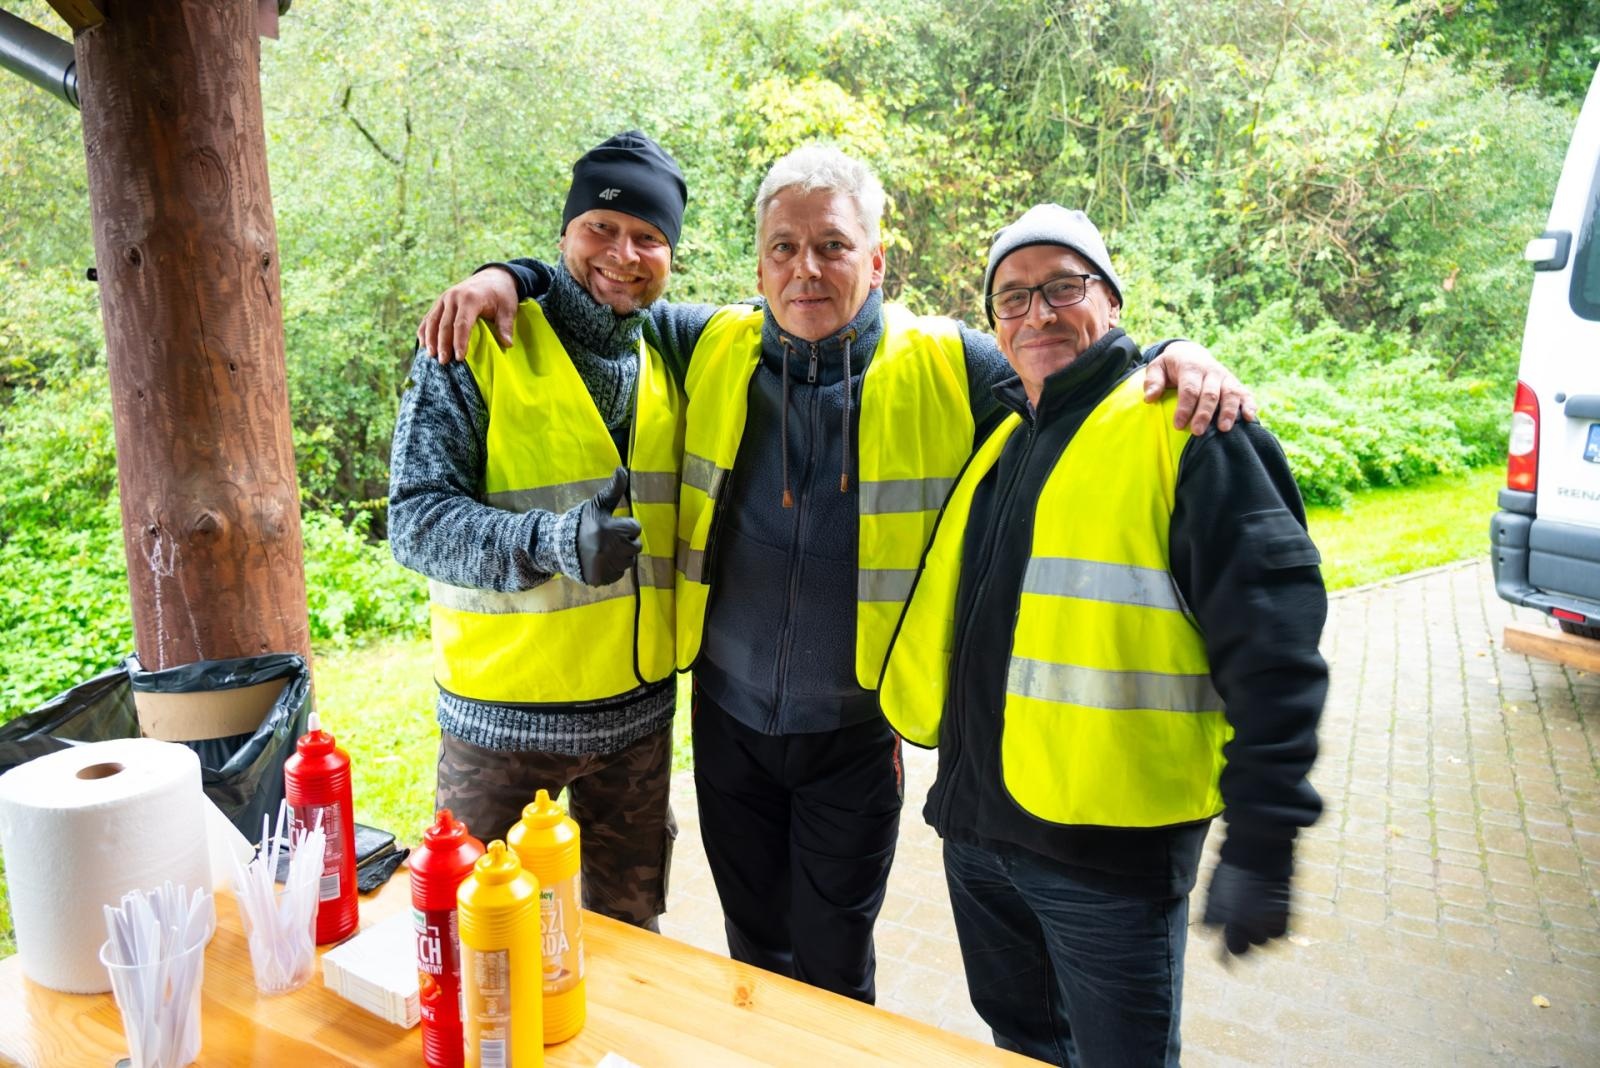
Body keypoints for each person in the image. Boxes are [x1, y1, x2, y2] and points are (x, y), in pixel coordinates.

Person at [415, 145, 1254, 1002]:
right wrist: (504, 276)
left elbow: (1065, 364)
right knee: (752, 956)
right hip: (728, 728)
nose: (805, 269)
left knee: (834, 966)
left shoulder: (947, 362)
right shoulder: (710, 341)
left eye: (833, 246)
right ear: (758, 263)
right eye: (783, 247)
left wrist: (1177, 353)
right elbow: (599, 289)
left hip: (853, 739)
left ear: (878, 258)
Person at [878, 204, 1328, 1066]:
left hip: (1105, 866)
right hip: (980, 841)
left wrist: (1266, 838)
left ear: (1112, 301)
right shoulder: (1006, 436)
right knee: (1023, 1048)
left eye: (1063, 287)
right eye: (1012, 298)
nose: (1037, 314)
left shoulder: (1191, 429)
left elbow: (1276, 651)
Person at [388, 131, 693, 930]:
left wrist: (509, 271)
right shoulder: (475, 341)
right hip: (499, 734)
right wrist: (552, 544)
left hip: (637, 730)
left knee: (630, 948)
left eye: (648, 237)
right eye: (600, 226)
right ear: (562, 235)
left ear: (671, 257)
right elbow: (414, 520)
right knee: (474, 945)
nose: (623, 254)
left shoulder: (669, 351)